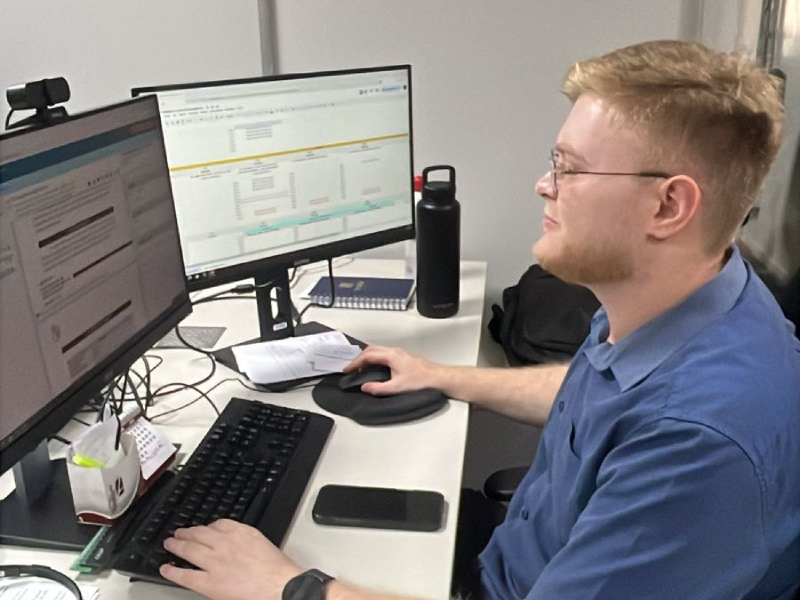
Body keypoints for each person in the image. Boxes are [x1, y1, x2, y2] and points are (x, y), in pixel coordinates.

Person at [158, 40, 800, 600]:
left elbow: (658, 421)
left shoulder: (699, 445)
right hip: (515, 552)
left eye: (570, 167)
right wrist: (442, 375)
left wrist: (288, 587)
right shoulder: (689, 297)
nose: (543, 184)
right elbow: (597, 393)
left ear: (668, 206)